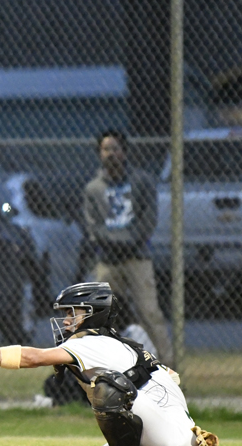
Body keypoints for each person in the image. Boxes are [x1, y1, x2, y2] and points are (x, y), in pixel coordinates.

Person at [0, 281, 214, 446]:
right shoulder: (125, 344)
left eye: (72, 313)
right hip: (180, 436)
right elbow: (171, 378)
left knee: (107, 388)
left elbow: (32, 358)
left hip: (164, 439)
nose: (66, 320)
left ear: (93, 314)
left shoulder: (90, 343)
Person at [83, 129, 173, 364]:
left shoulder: (141, 182)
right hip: (108, 261)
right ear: (99, 154)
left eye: (115, 148)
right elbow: (93, 227)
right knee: (100, 316)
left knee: (149, 312)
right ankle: (102, 369)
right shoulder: (93, 189)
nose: (111, 154)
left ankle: (168, 367)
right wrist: (113, 244)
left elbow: (148, 219)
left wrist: (130, 242)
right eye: (106, 149)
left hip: (137, 258)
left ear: (124, 152)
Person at [43, 292, 158, 406]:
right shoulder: (101, 338)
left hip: (131, 380)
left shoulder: (133, 330)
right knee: (54, 382)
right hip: (107, 375)